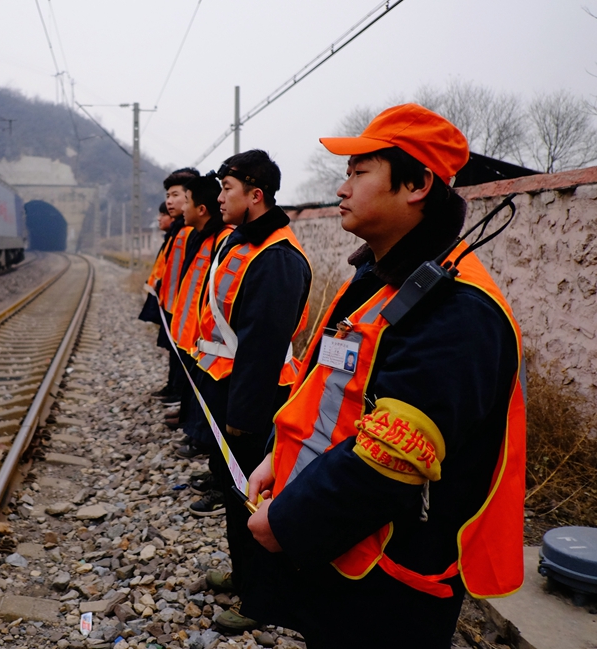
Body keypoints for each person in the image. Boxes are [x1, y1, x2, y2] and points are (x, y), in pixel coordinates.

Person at [244, 104, 525, 649]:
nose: (342, 187)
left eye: (358, 172)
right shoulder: (383, 279)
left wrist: (290, 521)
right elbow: (332, 393)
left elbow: (393, 457)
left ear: (417, 184)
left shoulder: (458, 308)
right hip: (347, 555)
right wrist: (281, 460)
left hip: (392, 585)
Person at [188, 150, 312, 633]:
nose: (219, 198)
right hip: (228, 388)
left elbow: (262, 345)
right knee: (233, 488)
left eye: (227, 189)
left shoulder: (278, 257)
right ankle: (244, 577)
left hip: (255, 398)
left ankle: (264, 601)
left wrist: (243, 413)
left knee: (254, 498)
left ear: (255, 195)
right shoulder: (242, 241)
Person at [166, 174, 233, 463]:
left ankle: (202, 441)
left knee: (207, 394)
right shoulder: (201, 236)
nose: (180, 207)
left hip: (209, 339)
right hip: (195, 336)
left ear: (201, 209)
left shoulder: (223, 239)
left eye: (186, 201)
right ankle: (195, 433)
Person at [152, 168, 200, 405]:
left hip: (184, 309)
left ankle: (179, 394)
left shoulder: (191, 232)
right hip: (173, 305)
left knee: (183, 354)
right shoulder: (179, 230)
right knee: (174, 351)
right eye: (168, 196)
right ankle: (174, 389)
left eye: (176, 195)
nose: (169, 201)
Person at [138, 202, 175, 327]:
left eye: (163, 214)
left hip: (171, 309)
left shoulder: (181, 238)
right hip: (163, 302)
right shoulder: (171, 239)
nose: (159, 218)